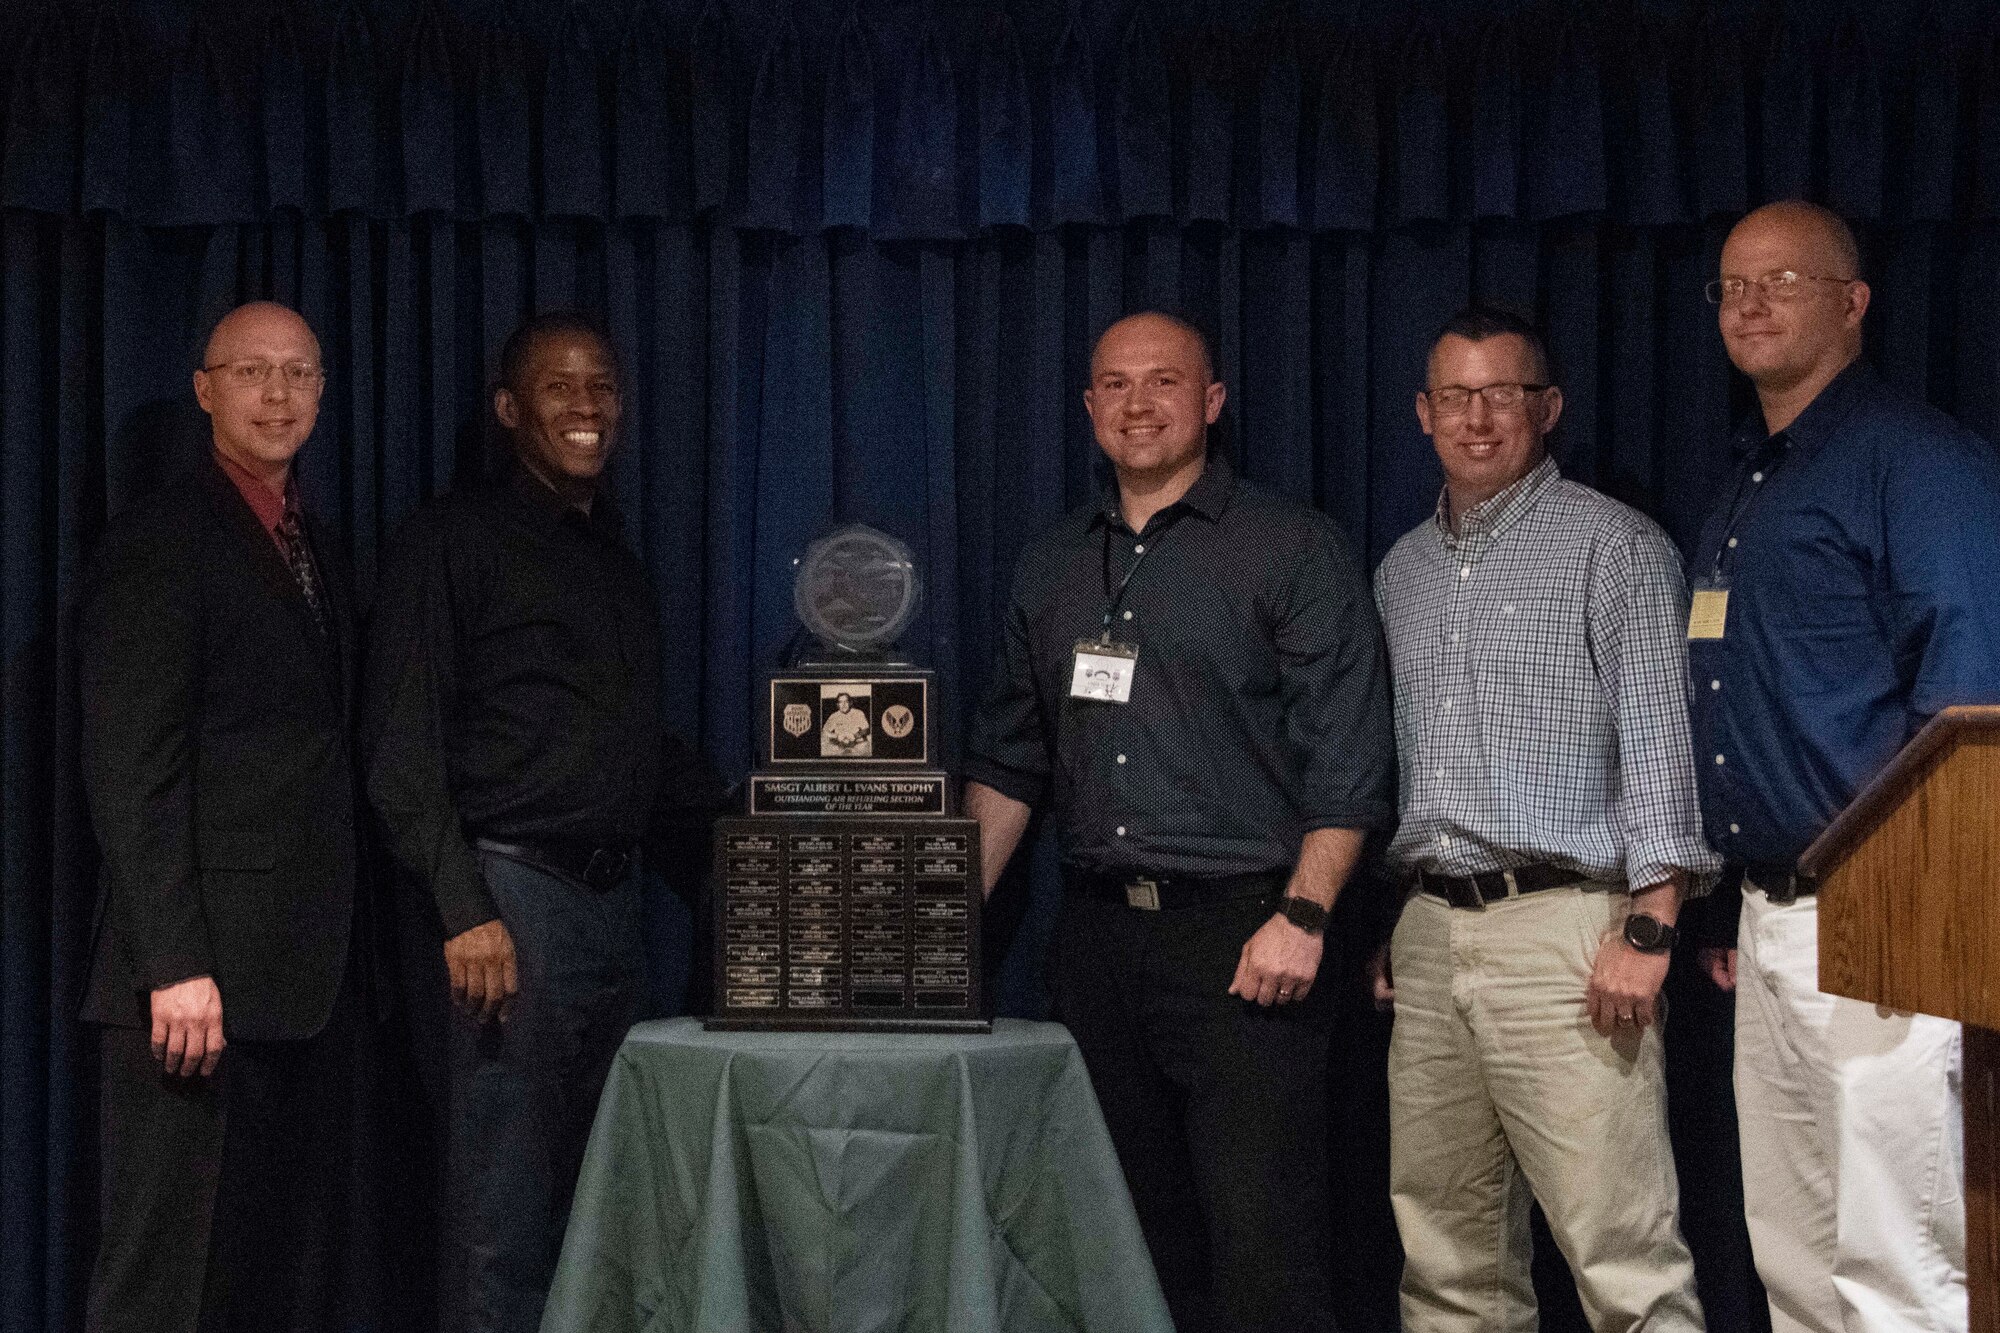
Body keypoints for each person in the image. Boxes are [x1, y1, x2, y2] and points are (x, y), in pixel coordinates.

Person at [963, 310, 1395, 1333]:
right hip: (1098, 940)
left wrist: (1304, 912)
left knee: (1263, 1241)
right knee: (1120, 1233)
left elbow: (1348, 757)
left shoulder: (1290, 547)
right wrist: (937, 929)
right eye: (1113, 384)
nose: (1137, 404)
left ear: (1209, 401)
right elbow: (1008, 760)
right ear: (1086, 408)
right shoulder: (1051, 563)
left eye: (1162, 382)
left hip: (1249, 937)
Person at [364, 312, 711, 1333]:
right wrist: (465, 910)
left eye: (602, 386)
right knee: (500, 1212)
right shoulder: (449, 541)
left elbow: (642, 755)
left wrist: (788, 812)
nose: (586, 406)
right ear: (510, 410)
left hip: (613, 914)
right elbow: (400, 752)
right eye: (559, 388)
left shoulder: (615, 562)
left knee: (604, 1206)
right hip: (507, 911)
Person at [1688, 200, 2000, 1333]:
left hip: (1889, 925)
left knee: (1896, 1263)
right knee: (1792, 1255)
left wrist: (1920, 913)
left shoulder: (1918, 465)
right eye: (1729, 285)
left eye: (1780, 280)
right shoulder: (1746, 482)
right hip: (1769, 923)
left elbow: (1970, 713)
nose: (1750, 303)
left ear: (1852, 302)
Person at [1371, 307, 1716, 1331]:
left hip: (1570, 932)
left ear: (1546, 407)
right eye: (1454, 397)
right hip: (1431, 932)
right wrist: (1404, 926)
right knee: (1444, 1256)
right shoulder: (1399, 572)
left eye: (1503, 394)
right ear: (1423, 414)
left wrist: (1649, 923)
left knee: (1619, 1253)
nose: (1477, 419)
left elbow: (1662, 740)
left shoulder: (1613, 546)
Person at [78, 301, 374, 1333]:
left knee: (268, 1277)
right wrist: (173, 963)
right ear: (204, 389)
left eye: (299, 372)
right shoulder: (162, 543)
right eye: (252, 372)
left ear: (324, 391)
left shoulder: (320, 548)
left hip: (302, 982)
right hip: (192, 989)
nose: (278, 394)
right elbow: (132, 768)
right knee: (166, 1283)